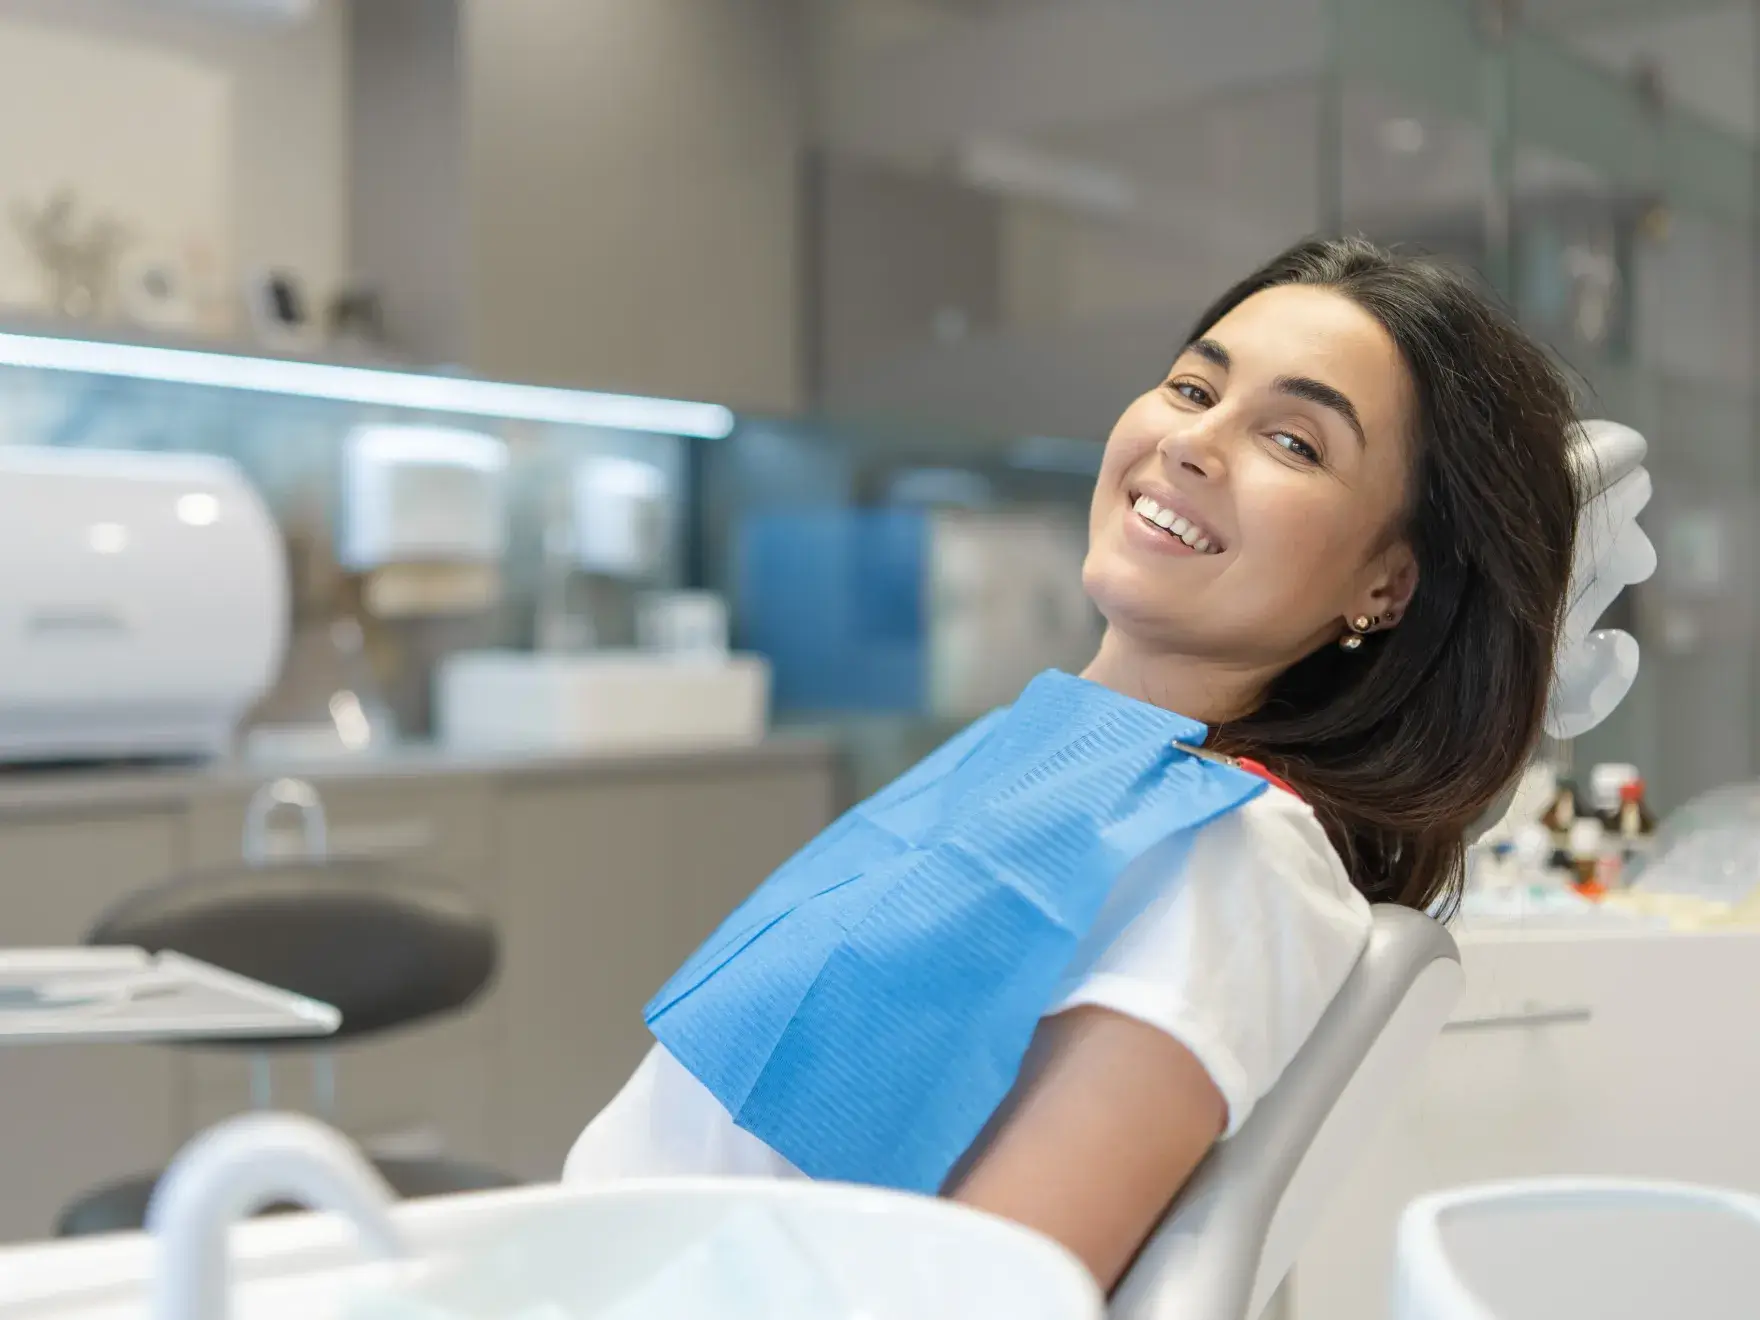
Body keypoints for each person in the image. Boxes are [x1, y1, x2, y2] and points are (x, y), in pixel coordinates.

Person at [562, 236, 1582, 1289]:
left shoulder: (1233, 855)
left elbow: (986, 1296)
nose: (1192, 443)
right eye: (1192, 386)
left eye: (1291, 442)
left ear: (1384, 583)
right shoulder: (1045, 750)